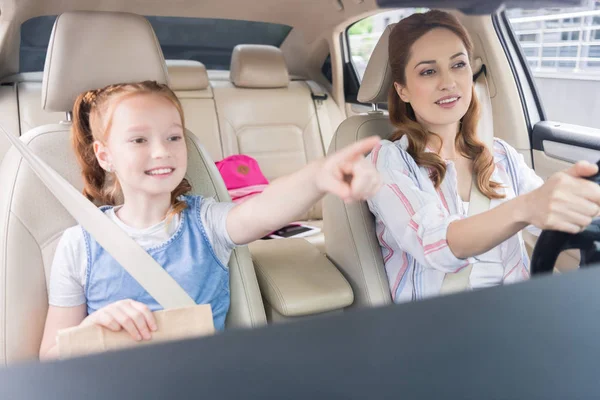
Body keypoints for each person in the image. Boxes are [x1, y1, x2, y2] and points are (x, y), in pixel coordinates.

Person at [39, 80, 382, 360]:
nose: (161, 151)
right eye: (139, 140)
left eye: (174, 137)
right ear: (105, 155)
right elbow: (50, 357)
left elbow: (264, 209)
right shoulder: (79, 245)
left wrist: (318, 176)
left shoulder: (205, 223)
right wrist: (92, 329)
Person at [367, 10, 600, 303]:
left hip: (516, 312)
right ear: (402, 90)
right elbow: (436, 244)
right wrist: (525, 207)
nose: (449, 82)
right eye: (428, 71)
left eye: (458, 65)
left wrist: (577, 201)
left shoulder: (502, 155)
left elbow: (548, 217)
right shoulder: (389, 162)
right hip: (436, 326)